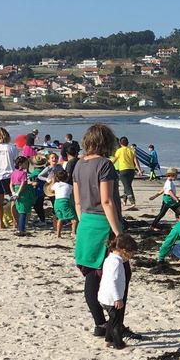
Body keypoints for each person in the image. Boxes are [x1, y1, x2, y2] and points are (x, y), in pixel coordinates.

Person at [73, 123, 128, 338]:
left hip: (85, 222)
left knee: (92, 277)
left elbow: (77, 202)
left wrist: (83, 223)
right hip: (104, 225)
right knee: (119, 277)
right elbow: (107, 201)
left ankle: (99, 323)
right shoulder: (105, 165)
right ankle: (115, 327)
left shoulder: (78, 164)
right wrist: (119, 233)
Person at [98, 234, 138, 350]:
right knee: (116, 322)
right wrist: (117, 298)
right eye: (131, 254)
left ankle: (108, 340)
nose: (131, 257)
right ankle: (118, 344)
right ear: (124, 251)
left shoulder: (110, 258)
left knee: (112, 320)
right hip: (111, 299)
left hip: (105, 296)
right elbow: (112, 282)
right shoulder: (116, 263)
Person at [11, 155, 37, 237]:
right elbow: (23, 184)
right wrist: (18, 193)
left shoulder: (14, 172)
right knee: (23, 211)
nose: (27, 165)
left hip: (15, 189)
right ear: (21, 164)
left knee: (20, 210)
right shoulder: (23, 173)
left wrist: (13, 192)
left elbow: (11, 184)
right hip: (22, 192)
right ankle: (21, 229)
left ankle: (20, 228)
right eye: (26, 163)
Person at [113, 136, 141, 207]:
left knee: (127, 186)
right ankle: (124, 201)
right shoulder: (131, 150)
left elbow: (114, 160)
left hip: (123, 171)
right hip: (131, 171)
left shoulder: (119, 151)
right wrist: (139, 170)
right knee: (127, 185)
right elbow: (136, 161)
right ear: (128, 143)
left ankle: (132, 202)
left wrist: (108, 165)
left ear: (120, 143)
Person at [51, 169, 78, 238]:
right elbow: (72, 195)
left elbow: (51, 189)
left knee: (60, 218)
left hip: (57, 202)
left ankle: (58, 234)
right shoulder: (69, 186)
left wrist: (53, 180)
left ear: (57, 178)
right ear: (67, 177)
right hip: (65, 202)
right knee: (74, 219)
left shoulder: (56, 185)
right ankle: (73, 232)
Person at [28, 154, 49, 226]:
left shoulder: (35, 172)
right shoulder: (44, 169)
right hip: (44, 189)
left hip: (37, 190)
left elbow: (31, 178)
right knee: (39, 205)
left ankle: (42, 220)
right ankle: (42, 219)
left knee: (37, 206)